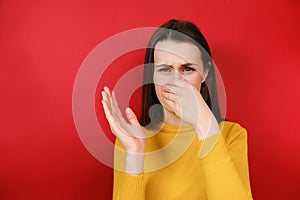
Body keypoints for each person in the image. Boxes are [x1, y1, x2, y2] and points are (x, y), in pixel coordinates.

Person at [101, 19, 253, 200]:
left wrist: (204, 123)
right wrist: (135, 154)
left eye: (187, 69)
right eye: (165, 69)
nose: (175, 82)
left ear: (204, 72)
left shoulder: (231, 136)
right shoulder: (131, 139)